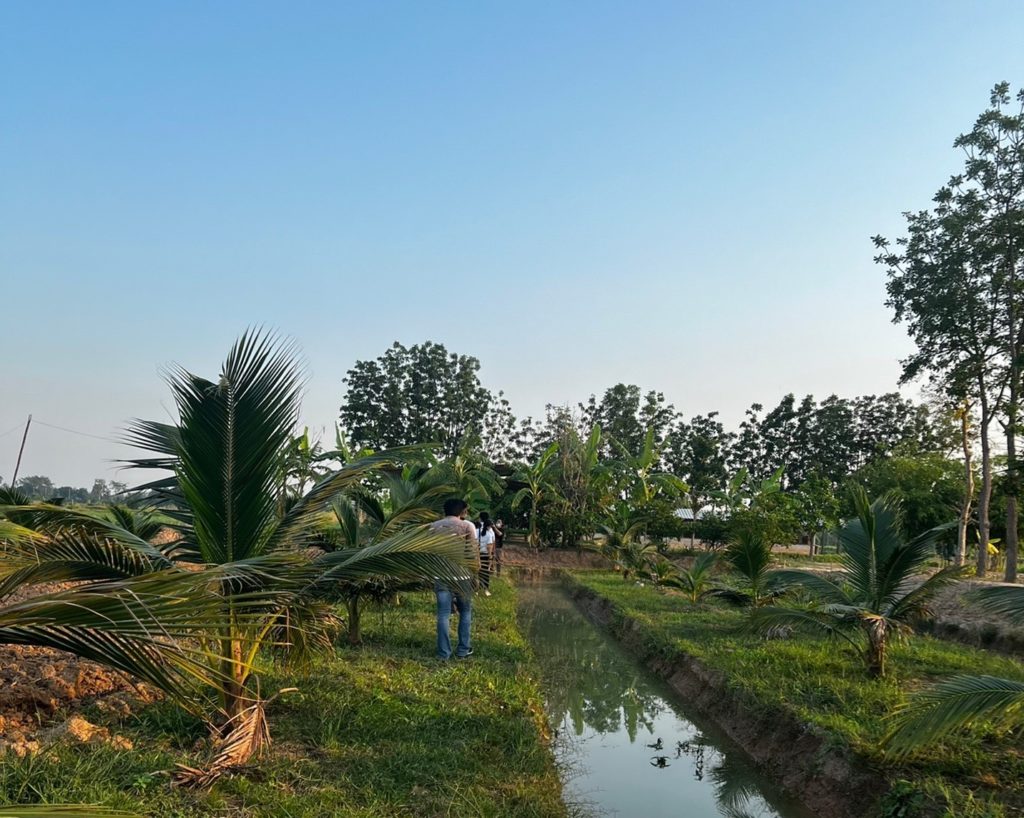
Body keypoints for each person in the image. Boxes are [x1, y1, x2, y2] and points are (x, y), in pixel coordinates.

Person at [430, 498, 477, 660]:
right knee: (465, 611)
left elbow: (431, 553)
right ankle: (463, 650)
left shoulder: (434, 526)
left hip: (441, 575)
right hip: (462, 575)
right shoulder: (467, 526)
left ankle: (443, 654)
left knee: (443, 614)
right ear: (462, 511)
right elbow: (472, 553)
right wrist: (475, 574)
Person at [477, 512, 496, 595]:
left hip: (476, 554)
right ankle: (486, 590)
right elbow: (490, 547)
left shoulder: (476, 530)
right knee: (486, 572)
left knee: (477, 572)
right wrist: (491, 558)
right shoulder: (489, 533)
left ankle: (476, 589)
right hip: (485, 555)